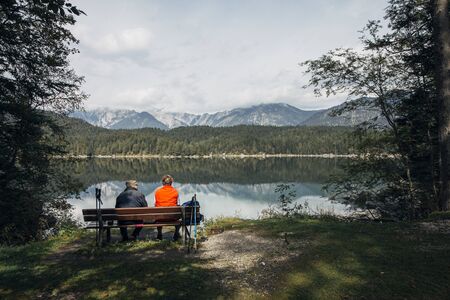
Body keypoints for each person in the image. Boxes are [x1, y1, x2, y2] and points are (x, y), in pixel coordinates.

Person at [154, 175, 181, 241]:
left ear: (163, 183)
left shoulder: (158, 192)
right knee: (179, 217)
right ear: (171, 183)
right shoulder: (175, 191)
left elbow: (156, 204)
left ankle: (159, 234)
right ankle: (176, 233)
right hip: (172, 217)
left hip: (160, 218)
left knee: (158, 212)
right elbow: (176, 203)